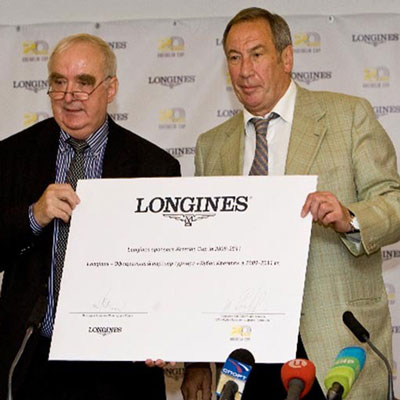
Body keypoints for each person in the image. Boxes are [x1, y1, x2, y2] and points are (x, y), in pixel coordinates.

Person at [181, 7, 400, 400]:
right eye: (234, 57)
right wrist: (195, 354)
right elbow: (202, 256)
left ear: (286, 57)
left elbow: (394, 201)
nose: (244, 70)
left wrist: (350, 217)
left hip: (332, 344)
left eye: (257, 54)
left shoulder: (348, 116)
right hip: (246, 353)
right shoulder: (211, 146)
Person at [0, 33, 180, 400]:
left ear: (111, 88)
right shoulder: (12, 156)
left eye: (84, 82)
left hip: (122, 366)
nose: (70, 96)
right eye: (59, 82)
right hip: (34, 361)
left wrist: (165, 333)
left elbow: (169, 270)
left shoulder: (154, 166)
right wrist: (33, 215)